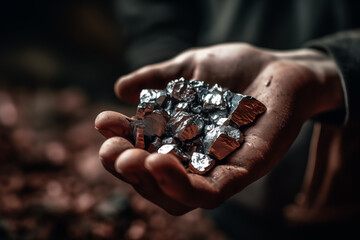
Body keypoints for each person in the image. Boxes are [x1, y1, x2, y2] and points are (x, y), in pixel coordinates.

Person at [95, 0, 360, 238]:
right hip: (231, 208)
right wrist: (167, 66)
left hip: (345, 194)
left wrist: (334, 67)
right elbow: (152, 13)